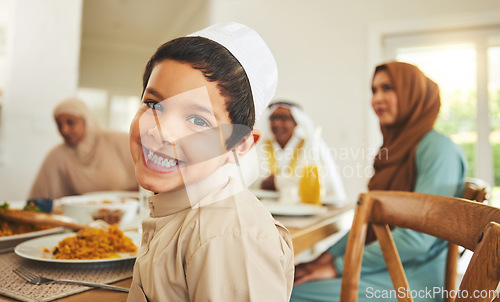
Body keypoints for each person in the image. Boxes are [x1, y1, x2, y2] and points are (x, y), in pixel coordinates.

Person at [126, 22, 294, 302]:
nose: (161, 131)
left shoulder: (226, 239)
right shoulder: (177, 206)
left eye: (197, 120)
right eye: (155, 105)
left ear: (239, 144)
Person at [290, 62, 467, 302]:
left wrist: (339, 266)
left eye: (388, 88)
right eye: (374, 90)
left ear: (412, 94)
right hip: (389, 267)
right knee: (289, 279)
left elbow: (417, 239)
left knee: (286, 291)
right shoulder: (396, 150)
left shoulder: (437, 149)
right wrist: (326, 258)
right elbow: (370, 224)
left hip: (414, 279)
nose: (377, 99)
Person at [29, 98, 138, 199]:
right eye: (59, 125)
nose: (64, 130)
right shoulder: (58, 155)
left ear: (86, 120)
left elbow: (148, 183)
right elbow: (37, 200)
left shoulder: (119, 141)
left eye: (70, 122)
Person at [254, 101, 346, 205]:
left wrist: (277, 181)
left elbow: (322, 182)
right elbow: (250, 181)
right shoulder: (260, 146)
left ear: (296, 122)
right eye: (273, 118)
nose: (277, 123)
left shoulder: (312, 146)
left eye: (284, 118)